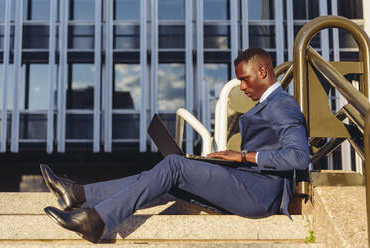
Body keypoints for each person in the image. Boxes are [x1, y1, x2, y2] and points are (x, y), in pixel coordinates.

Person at [41, 48, 310, 243]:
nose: (241, 86)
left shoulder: (282, 105)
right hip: (246, 182)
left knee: (173, 164)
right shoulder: (268, 104)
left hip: (260, 195)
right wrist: (225, 161)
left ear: (263, 71)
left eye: (245, 79)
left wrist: (242, 156)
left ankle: (95, 221)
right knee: (165, 171)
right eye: (238, 80)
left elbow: (299, 157)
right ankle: (76, 193)